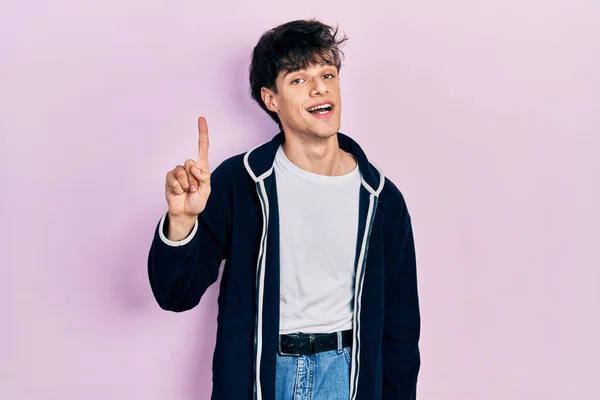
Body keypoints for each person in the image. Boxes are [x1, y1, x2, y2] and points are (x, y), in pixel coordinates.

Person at [148, 19, 421, 400]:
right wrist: (181, 220)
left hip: (347, 373)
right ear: (270, 99)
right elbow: (176, 294)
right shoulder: (239, 183)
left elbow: (401, 329)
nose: (319, 87)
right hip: (262, 374)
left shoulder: (380, 198)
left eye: (328, 73)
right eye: (298, 79)